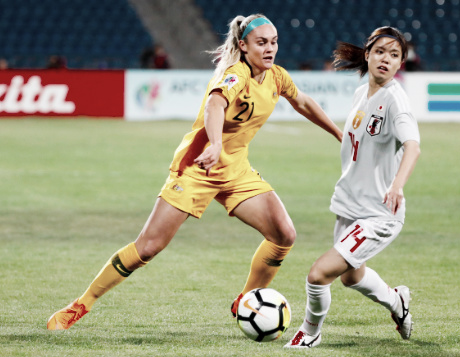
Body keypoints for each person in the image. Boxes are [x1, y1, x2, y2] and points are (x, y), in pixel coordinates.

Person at [47, 14, 342, 330]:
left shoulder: (276, 77)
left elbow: (304, 103)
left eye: (274, 42)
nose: (270, 49)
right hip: (198, 167)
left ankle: (246, 300)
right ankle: (80, 305)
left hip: (234, 169)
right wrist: (214, 144)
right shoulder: (234, 74)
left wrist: (341, 135)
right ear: (243, 46)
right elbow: (215, 105)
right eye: (261, 43)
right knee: (148, 246)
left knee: (284, 234)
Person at [285, 26, 421, 348]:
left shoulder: (395, 100)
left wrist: (398, 185)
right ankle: (397, 301)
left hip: (379, 213)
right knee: (351, 276)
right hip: (350, 205)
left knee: (318, 275)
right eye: (380, 52)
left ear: (401, 63)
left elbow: (413, 146)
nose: (386, 59)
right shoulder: (362, 92)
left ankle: (310, 333)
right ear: (368, 54)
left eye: (394, 55)